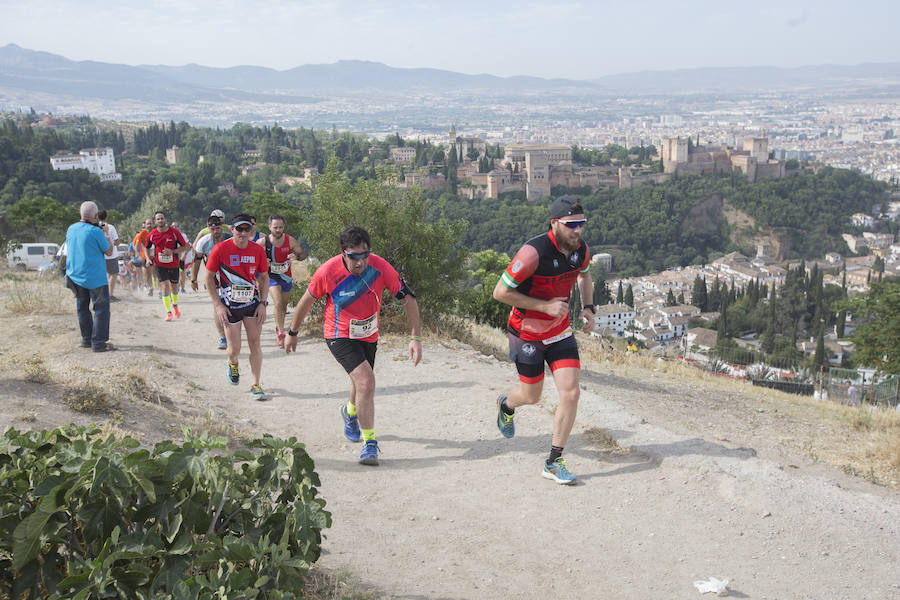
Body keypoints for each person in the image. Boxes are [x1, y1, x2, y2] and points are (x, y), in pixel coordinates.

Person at [284, 226, 422, 466]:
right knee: (366, 381)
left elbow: (409, 299)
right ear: (343, 253)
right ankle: (370, 444)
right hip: (338, 333)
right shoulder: (328, 271)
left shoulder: (379, 267)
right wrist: (292, 332)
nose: (361, 262)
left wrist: (415, 338)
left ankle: (349, 412)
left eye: (365, 255)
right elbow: (306, 301)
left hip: (368, 333)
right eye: (354, 256)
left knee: (359, 382)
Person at [492, 195, 594, 485]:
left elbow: (586, 277)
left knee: (571, 393)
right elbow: (500, 293)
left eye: (581, 225)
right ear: (554, 224)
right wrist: (544, 306)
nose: (577, 231)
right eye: (571, 225)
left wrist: (588, 308)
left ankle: (554, 461)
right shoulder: (532, 253)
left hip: (560, 332)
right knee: (532, 396)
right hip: (526, 332)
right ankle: (506, 405)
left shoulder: (581, 250)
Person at [204, 213, 270, 401]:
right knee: (234, 349)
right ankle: (233, 364)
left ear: (251, 231)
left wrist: (263, 304)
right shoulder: (220, 249)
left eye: (246, 229)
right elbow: (208, 277)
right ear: (231, 230)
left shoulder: (257, 250)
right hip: (229, 305)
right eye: (238, 229)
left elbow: (264, 277)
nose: (242, 233)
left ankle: (256, 384)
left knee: (255, 343)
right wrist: (218, 305)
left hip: (252, 304)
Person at [65, 201, 114, 352]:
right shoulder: (96, 232)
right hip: (95, 277)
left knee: (82, 308)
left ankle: (86, 340)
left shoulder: (71, 229)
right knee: (101, 309)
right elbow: (109, 251)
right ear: (95, 215)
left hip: (75, 275)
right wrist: (106, 233)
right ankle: (98, 343)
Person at [257, 214, 308, 347]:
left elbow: (303, 255)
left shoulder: (290, 240)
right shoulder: (263, 242)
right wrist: (262, 262)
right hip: (271, 277)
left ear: (284, 227)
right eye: (275, 227)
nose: (278, 230)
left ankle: (278, 325)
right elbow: (252, 259)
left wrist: (296, 256)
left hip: (286, 276)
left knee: (284, 306)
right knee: (278, 303)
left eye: (280, 227)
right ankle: (281, 333)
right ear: (269, 227)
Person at [192, 214, 233, 350]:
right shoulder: (203, 242)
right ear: (208, 228)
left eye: (218, 228)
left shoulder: (230, 238)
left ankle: (232, 331)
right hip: (213, 276)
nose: (216, 232)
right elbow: (197, 262)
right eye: (213, 229)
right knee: (218, 305)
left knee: (233, 304)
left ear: (222, 227)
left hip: (230, 275)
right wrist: (193, 279)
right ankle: (222, 337)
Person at [145, 211, 189, 321]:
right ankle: (169, 312)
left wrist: (173, 251)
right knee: (164, 286)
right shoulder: (152, 235)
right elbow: (146, 247)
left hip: (173, 264)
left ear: (165, 220)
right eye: (158, 219)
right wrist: (147, 258)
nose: (160, 220)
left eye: (162, 218)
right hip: (159, 264)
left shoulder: (174, 232)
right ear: (155, 222)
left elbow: (185, 246)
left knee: (174, 287)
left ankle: (175, 305)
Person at [97, 210, 120, 300]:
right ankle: (110, 295)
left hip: (99, 255)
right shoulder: (110, 227)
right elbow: (117, 242)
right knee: (113, 274)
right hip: (111, 255)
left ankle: (100, 294)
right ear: (106, 217)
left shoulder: (95, 227)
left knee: (100, 275)